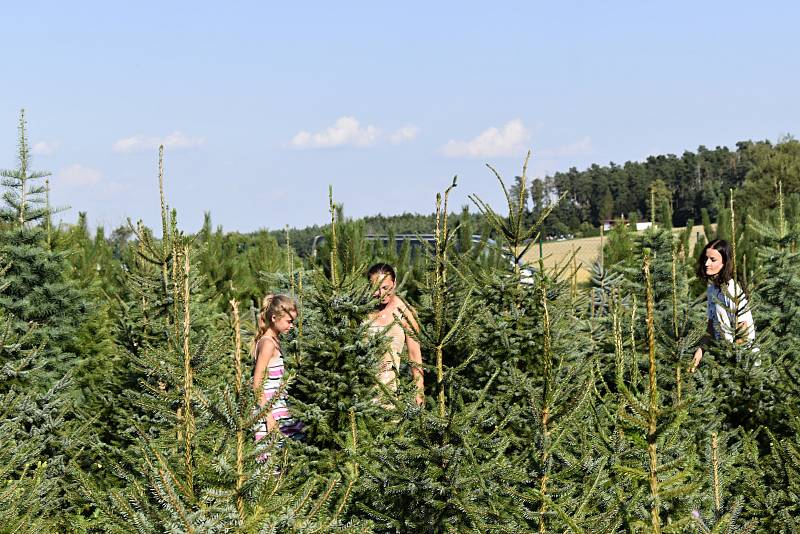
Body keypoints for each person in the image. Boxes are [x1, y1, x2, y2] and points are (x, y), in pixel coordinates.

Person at [691, 239, 756, 372]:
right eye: (706, 259)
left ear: (725, 262)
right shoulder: (712, 289)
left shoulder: (732, 289)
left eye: (713, 260)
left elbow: (743, 329)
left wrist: (729, 360)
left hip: (743, 362)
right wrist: (699, 353)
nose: (707, 263)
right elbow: (711, 326)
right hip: (724, 355)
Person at [252, 294, 303, 459]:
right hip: (269, 414)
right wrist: (268, 417)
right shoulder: (267, 343)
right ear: (274, 318)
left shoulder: (275, 341)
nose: (292, 326)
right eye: (289, 321)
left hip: (279, 410)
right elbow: (257, 383)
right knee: (269, 469)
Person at [366, 263, 424, 406]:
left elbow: (415, 356)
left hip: (390, 394)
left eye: (386, 288)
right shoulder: (362, 310)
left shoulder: (405, 313)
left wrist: (419, 394)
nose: (381, 294)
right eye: (376, 289)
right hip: (361, 392)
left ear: (394, 283)